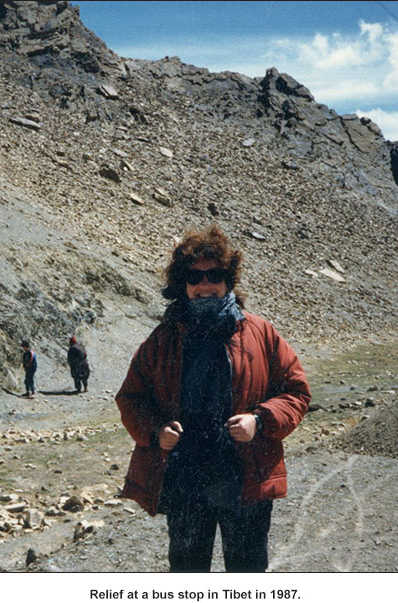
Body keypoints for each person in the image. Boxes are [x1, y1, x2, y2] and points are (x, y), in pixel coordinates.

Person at [115, 225, 310, 572]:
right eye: (194, 276)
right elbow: (131, 398)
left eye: (214, 275)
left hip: (246, 474)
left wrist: (260, 420)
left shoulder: (260, 333)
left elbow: (296, 391)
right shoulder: (162, 339)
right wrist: (157, 431)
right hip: (186, 479)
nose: (204, 285)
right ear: (182, 284)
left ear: (228, 278)